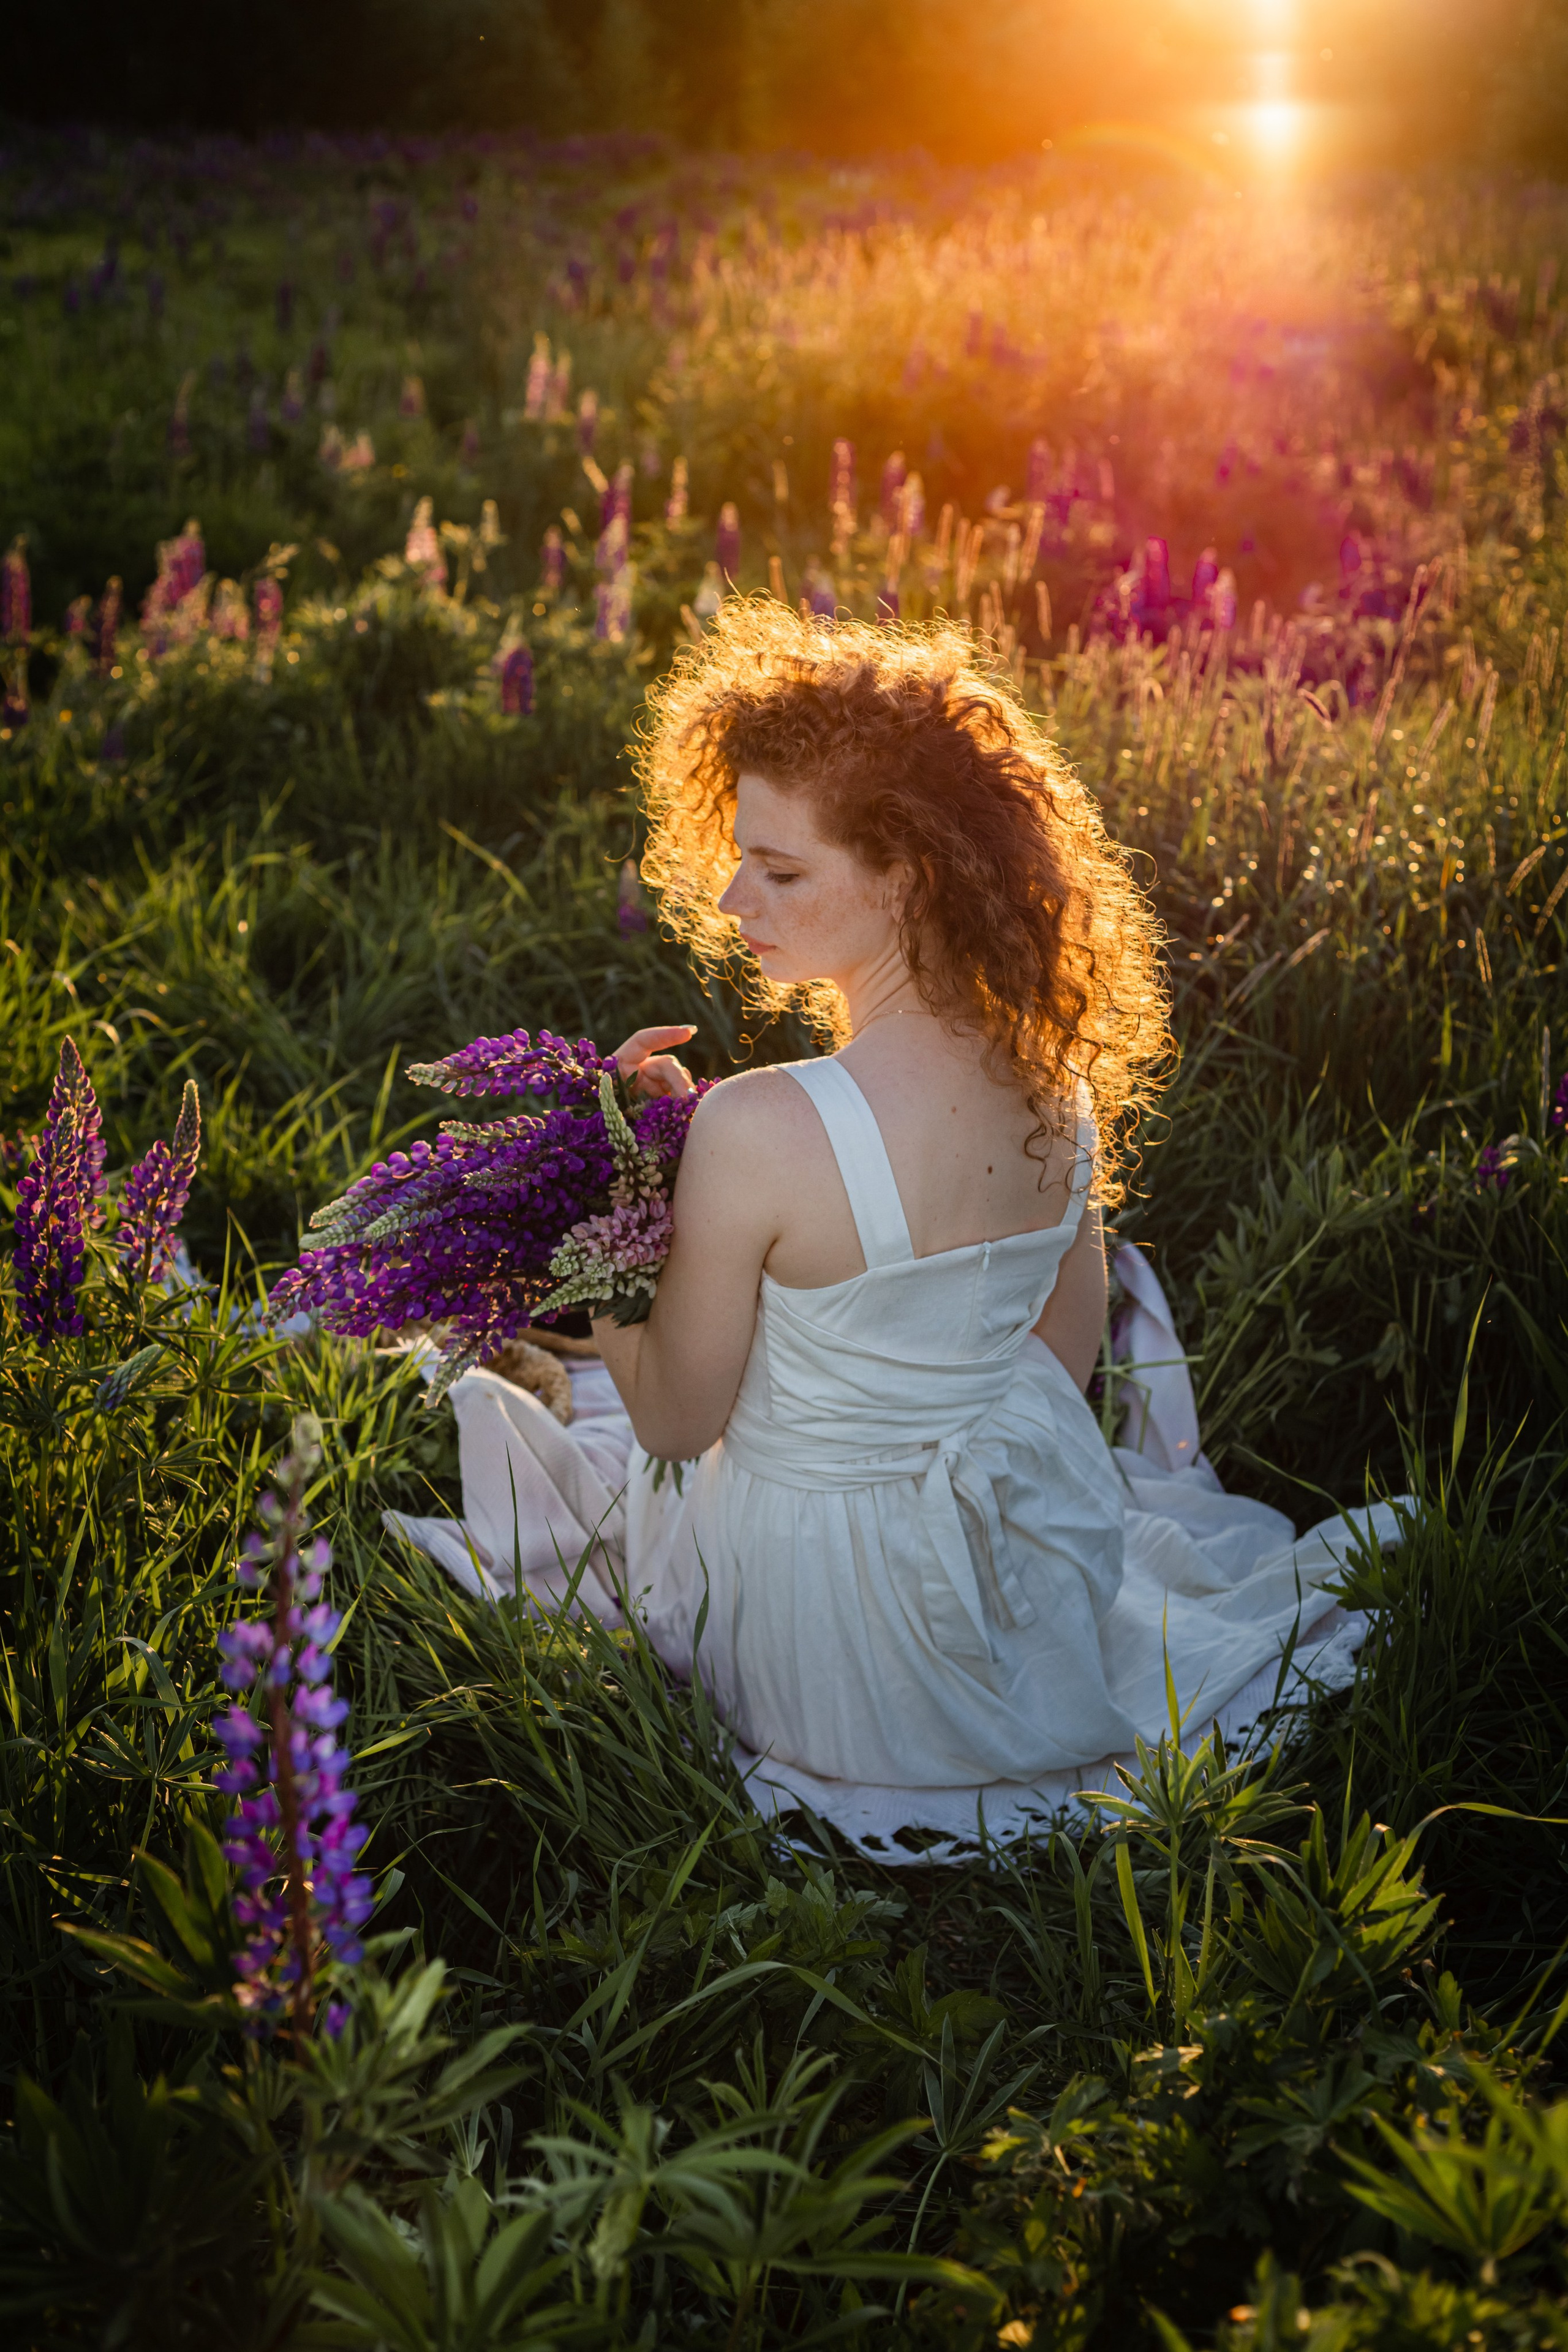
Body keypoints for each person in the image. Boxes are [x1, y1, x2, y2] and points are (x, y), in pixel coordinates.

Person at [390, 601, 1398, 1845]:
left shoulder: (753, 1127)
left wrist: (621, 1210)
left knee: (612, 1416)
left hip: (819, 1662)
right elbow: (1058, 1366)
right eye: (739, 853)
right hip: (1007, 1607)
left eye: (782, 869)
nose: (728, 891)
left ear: (907, 874)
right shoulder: (1055, 1085)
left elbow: (670, 1421)